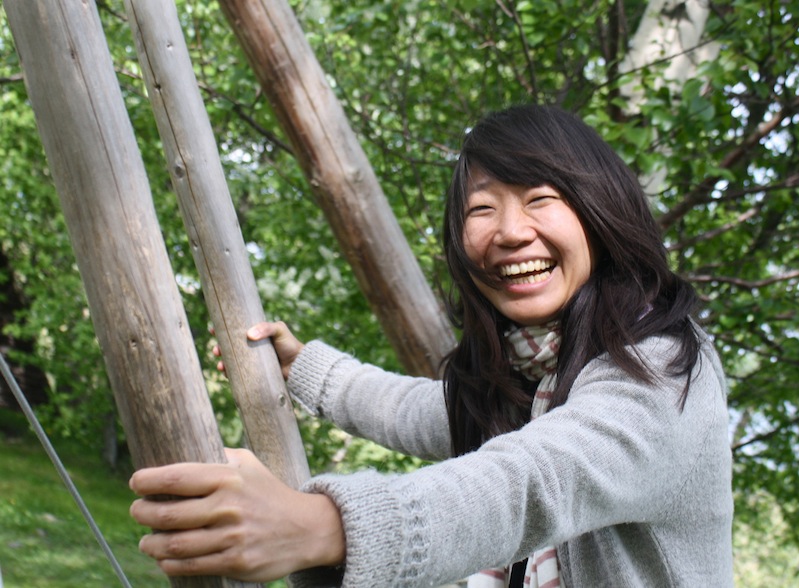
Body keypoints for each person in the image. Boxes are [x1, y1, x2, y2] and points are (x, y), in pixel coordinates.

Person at [129, 104, 734, 587]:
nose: (511, 231)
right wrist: (306, 367)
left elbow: (531, 483)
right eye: (482, 208)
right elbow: (423, 411)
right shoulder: (537, 376)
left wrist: (318, 526)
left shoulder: (665, 368)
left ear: (601, 214)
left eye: (541, 200)